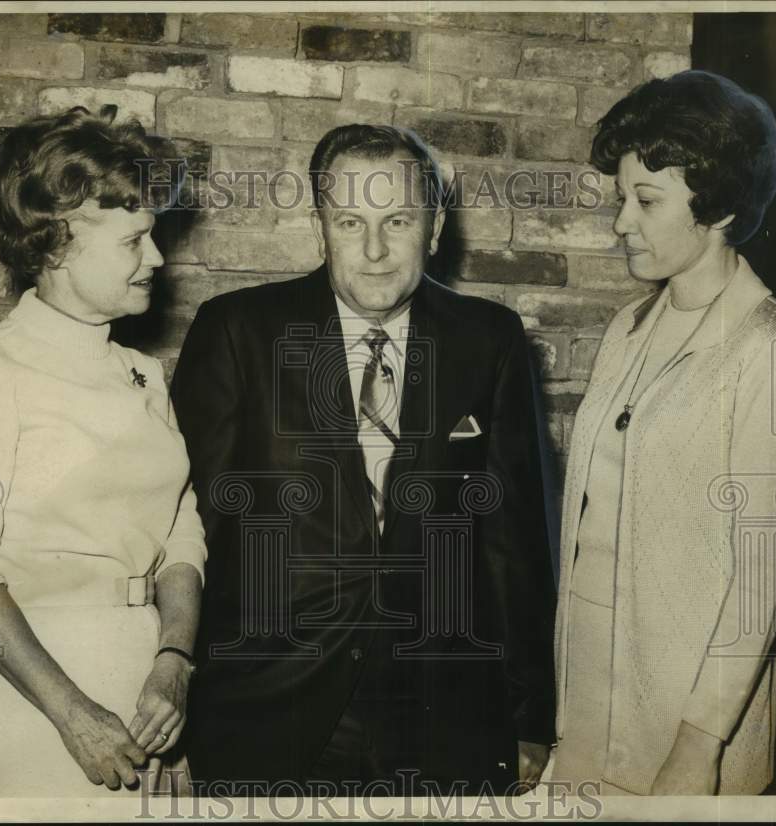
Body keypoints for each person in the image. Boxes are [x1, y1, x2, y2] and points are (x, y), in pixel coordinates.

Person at [170, 124, 557, 795]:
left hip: (441, 720)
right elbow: (188, 527)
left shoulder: (488, 339)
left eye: (398, 220)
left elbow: (512, 541)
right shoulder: (237, 330)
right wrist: (177, 688)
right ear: (319, 229)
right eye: (351, 222)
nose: (375, 250)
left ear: (434, 229)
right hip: (267, 712)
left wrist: (529, 716)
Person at [0, 106, 207, 797]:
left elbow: (181, 532)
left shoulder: (143, 374)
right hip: (36, 691)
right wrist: (73, 715)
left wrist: (174, 657)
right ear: (57, 245)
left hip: (148, 679)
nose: (156, 259)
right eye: (134, 241)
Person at [551, 71, 776, 795]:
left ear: (720, 208)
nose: (621, 223)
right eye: (621, 199)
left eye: (646, 201)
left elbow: (762, 577)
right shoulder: (627, 328)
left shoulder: (768, 350)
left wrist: (698, 748)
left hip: (684, 729)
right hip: (585, 707)